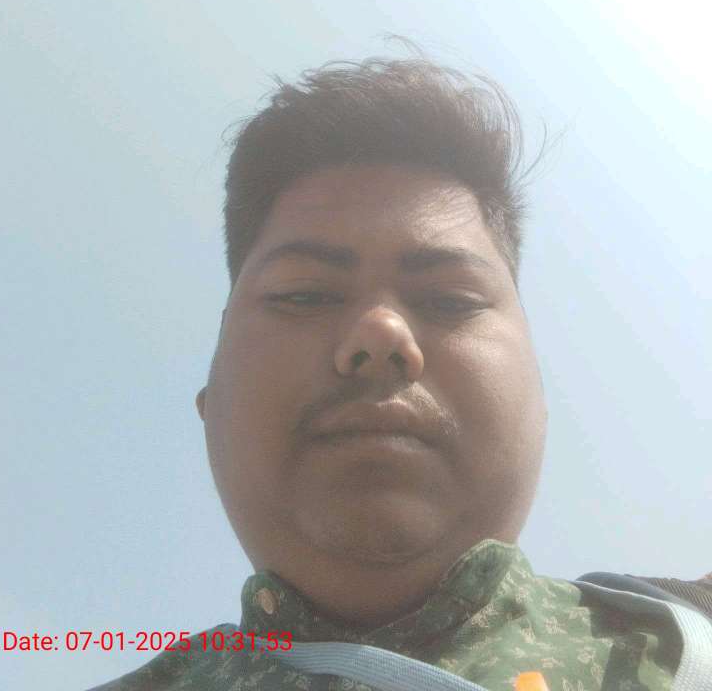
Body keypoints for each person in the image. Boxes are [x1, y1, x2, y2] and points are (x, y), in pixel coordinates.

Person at [89, 49, 711, 691]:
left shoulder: (692, 638)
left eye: (450, 301)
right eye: (306, 294)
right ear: (209, 403)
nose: (380, 333)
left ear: (539, 405)